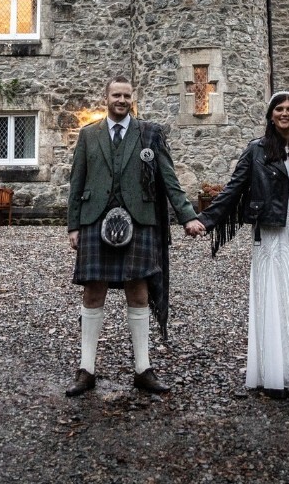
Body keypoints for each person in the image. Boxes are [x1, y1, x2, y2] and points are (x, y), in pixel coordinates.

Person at [66, 75, 205, 396]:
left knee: (139, 292)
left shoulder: (150, 134)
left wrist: (188, 217)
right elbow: (77, 183)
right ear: (106, 98)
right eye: (116, 95)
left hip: (140, 221)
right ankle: (86, 370)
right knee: (92, 292)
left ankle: (143, 369)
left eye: (126, 96)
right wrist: (73, 225)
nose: (121, 100)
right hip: (94, 220)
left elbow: (169, 179)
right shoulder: (89, 135)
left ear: (132, 99)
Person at [198, 90, 289, 396]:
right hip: (272, 236)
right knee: (276, 299)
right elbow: (233, 189)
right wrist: (205, 220)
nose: (285, 113)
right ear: (271, 114)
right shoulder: (256, 151)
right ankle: (279, 374)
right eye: (279, 109)